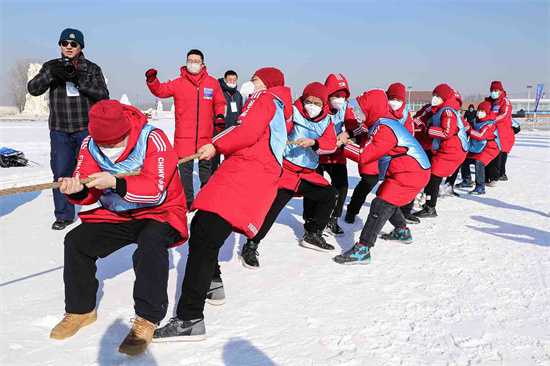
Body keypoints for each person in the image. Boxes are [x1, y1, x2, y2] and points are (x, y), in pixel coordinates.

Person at [151, 67, 293, 342]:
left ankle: (189, 318)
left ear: (267, 82)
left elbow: (246, 130)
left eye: (255, 79)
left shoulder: (263, 99)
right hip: (251, 175)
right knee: (207, 225)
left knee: (205, 232)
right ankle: (212, 282)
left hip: (244, 175)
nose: (251, 83)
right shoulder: (280, 106)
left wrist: (215, 144)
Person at [49, 100, 188, 356]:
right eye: (103, 143)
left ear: (125, 131)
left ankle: (147, 317)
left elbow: (156, 190)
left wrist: (114, 182)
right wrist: (78, 189)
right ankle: (80, 310)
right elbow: (89, 188)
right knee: (76, 241)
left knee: (151, 242)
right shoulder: (89, 144)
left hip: (160, 210)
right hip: (118, 213)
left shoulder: (153, 138)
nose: (108, 148)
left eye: (113, 143)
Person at [240, 82, 338, 269]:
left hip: (308, 173)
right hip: (286, 171)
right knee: (270, 210)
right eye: (308, 101)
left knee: (330, 194)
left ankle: (313, 233)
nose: (312, 105)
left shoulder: (327, 120)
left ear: (323, 104)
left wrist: (315, 143)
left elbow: (330, 143)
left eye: (317, 103)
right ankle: (251, 245)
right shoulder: (293, 111)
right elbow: (277, 129)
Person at [335, 89, 430, 264]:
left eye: (363, 109)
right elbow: (367, 137)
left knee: (381, 203)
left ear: (372, 108)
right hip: (405, 172)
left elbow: (365, 156)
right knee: (386, 198)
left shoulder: (385, 128)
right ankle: (402, 231)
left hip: (412, 173)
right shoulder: (381, 122)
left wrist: (340, 146)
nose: (359, 113)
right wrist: (351, 138)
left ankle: (363, 248)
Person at [28, 28, 109, 230]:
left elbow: (103, 95)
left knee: (92, 170)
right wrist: (50, 76)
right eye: (65, 43)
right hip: (59, 128)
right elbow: (33, 89)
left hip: (85, 128)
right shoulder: (50, 66)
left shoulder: (91, 69)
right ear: (60, 46)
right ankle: (64, 214)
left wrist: (79, 81)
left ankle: (102, 207)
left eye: (73, 44)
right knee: (62, 172)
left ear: (81, 46)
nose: (69, 47)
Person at [145, 49, 226, 208]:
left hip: (205, 135)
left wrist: (220, 116)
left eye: (196, 61)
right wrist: (152, 80)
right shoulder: (178, 82)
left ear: (202, 64)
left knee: (206, 170)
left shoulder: (211, 82)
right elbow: (161, 90)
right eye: (190, 60)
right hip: (183, 136)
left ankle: (206, 200)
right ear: (186, 62)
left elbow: (220, 102)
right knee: (185, 172)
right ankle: (187, 202)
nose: (193, 64)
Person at [303, 74, 360, 236]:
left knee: (342, 185)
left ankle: (333, 218)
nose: (340, 99)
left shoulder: (345, 107)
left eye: (343, 96)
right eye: (336, 95)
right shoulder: (319, 105)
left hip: (335, 152)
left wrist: (347, 133)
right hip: (315, 151)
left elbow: (355, 126)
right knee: (314, 186)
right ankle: (310, 218)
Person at [413, 84, 468, 218]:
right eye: (434, 96)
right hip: (446, 149)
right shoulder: (440, 110)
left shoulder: (447, 111)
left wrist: (427, 130)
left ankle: (430, 207)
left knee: (433, 176)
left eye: (438, 96)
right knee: (432, 176)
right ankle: (428, 203)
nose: (435, 99)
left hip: (452, 150)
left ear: (445, 98)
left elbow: (446, 132)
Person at [451, 101, 501, 195]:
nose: (479, 113)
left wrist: (469, 130)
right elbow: (467, 129)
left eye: (482, 111)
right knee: (463, 159)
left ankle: (480, 187)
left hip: (490, 148)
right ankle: (467, 180)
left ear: (487, 112)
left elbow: (481, 135)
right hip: (476, 146)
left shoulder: (490, 124)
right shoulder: (474, 120)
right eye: (479, 110)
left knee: (479, 162)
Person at [212, 70, 244, 172]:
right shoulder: (218, 92)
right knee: (215, 156)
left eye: (234, 80)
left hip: (232, 129)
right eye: (230, 80)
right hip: (219, 129)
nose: (232, 82)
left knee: (230, 157)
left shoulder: (238, 95)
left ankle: (228, 174)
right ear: (224, 79)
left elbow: (240, 111)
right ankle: (214, 174)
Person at [483, 81, 514, 184]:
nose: (493, 93)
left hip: (502, 131)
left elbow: (504, 114)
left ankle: (499, 174)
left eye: (495, 90)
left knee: (499, 153)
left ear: (501, 91)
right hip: (490, 130)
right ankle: (488, 175)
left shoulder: (505, 101)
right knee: (488, 152)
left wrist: (491, 120)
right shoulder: (489, 101)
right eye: (491, 91)